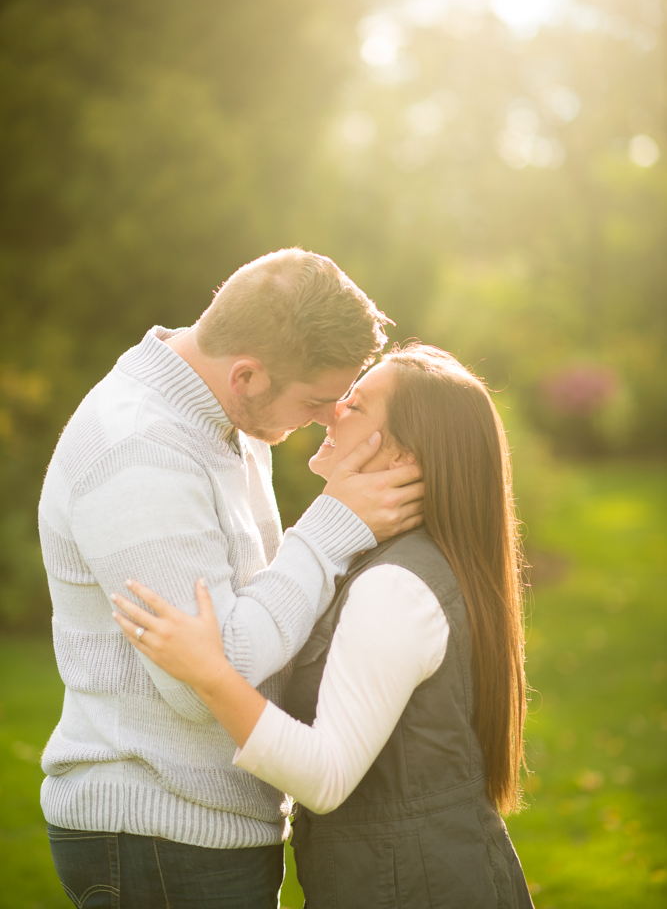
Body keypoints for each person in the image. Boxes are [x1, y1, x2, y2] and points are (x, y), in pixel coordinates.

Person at [39, 249, 424, 909]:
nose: (329, 418)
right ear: (245, 375)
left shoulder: (221, 422)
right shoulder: (141, 451)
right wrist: (331, 527)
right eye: (316, 400)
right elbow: (210, 675)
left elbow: (249, 613)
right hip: (158, 838)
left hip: (195, 835)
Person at [113, 343, 535, 909]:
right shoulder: (398, 561)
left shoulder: (396, 587)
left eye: (355, 405)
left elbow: (325, 777)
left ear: (403, 458)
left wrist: (209, 673)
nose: (334, 408)